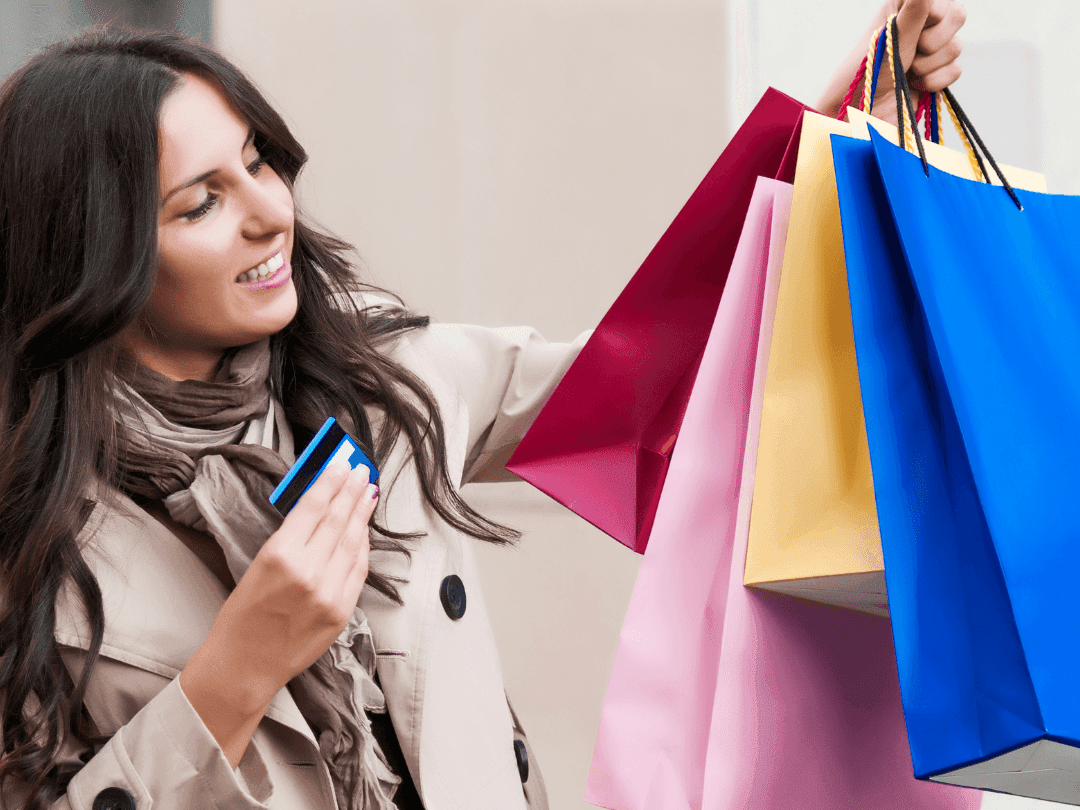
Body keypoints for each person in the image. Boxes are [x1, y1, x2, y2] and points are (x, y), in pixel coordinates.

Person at [0, 2, 965, 809]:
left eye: (258, 160)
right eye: (198, 202)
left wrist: (821, 132)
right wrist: (236, 674)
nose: (269, 212)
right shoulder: (33, 527)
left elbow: (642, 381)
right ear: (95, 254)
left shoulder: (372, 376)